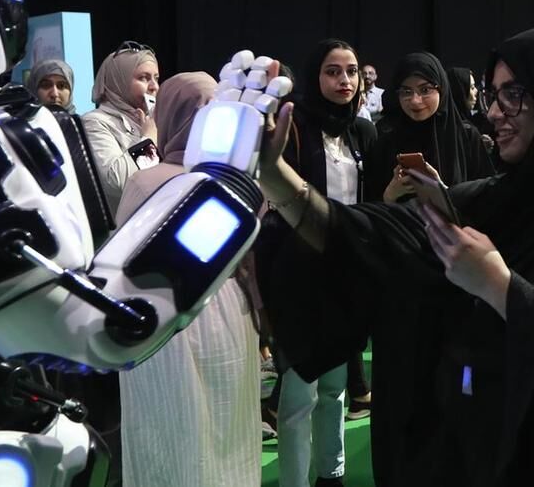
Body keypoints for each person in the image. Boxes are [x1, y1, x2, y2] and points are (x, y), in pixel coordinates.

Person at [254, 23, 534, 486]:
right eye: (493, 94)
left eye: (514, 95)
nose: (495, 112)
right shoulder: (493, 197)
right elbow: (367, 236)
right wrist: (274, 174)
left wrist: (502, 288)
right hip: (473, 457)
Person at [115, 72, 261, 487]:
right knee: (228, 427)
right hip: (228, 310)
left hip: (159, 313)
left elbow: (123, 256)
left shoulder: (145, 180)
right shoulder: (238, 180)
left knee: (167, 428)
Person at [269, 39, 376, 487]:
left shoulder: (362, 132)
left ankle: (331, 475)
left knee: (335, 387)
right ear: (315, 77)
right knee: (299, 395)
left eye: (351, 71)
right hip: (300, 274)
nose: (344, 80)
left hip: (346, 273)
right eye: (333, 71)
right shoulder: (294, 125)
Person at [366, 54, 495, 204]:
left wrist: (444, 192)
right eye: (406, 91)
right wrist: (389, 195)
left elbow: (487, 200)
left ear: (442, 89)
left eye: (425, 90)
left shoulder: (466, 136)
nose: (415, 100)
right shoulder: (386, 141)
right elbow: (369, 205)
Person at [81, 41, 161, 216]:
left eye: (156, 78)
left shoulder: (153, 121)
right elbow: (116, 182)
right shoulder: (94, 122)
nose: (154, 86)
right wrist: (148, 139)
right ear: (119, 81)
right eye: (143, 78)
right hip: (125, 226)